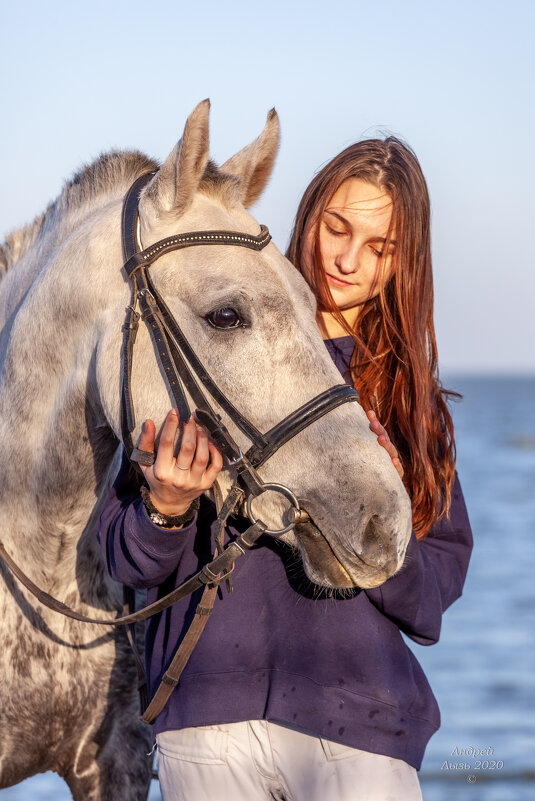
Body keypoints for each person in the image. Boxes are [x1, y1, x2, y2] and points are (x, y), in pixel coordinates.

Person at [97, 137, 472, 801]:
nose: (347, 259)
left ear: (403, 260)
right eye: (336, 226)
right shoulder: (201, 348)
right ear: (309, 211)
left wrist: (381, 529)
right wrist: (167, 506)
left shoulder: (409, 403)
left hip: (360, 724)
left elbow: (431, 596)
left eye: (379, 247)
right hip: (208, 719)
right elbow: (126, 563)